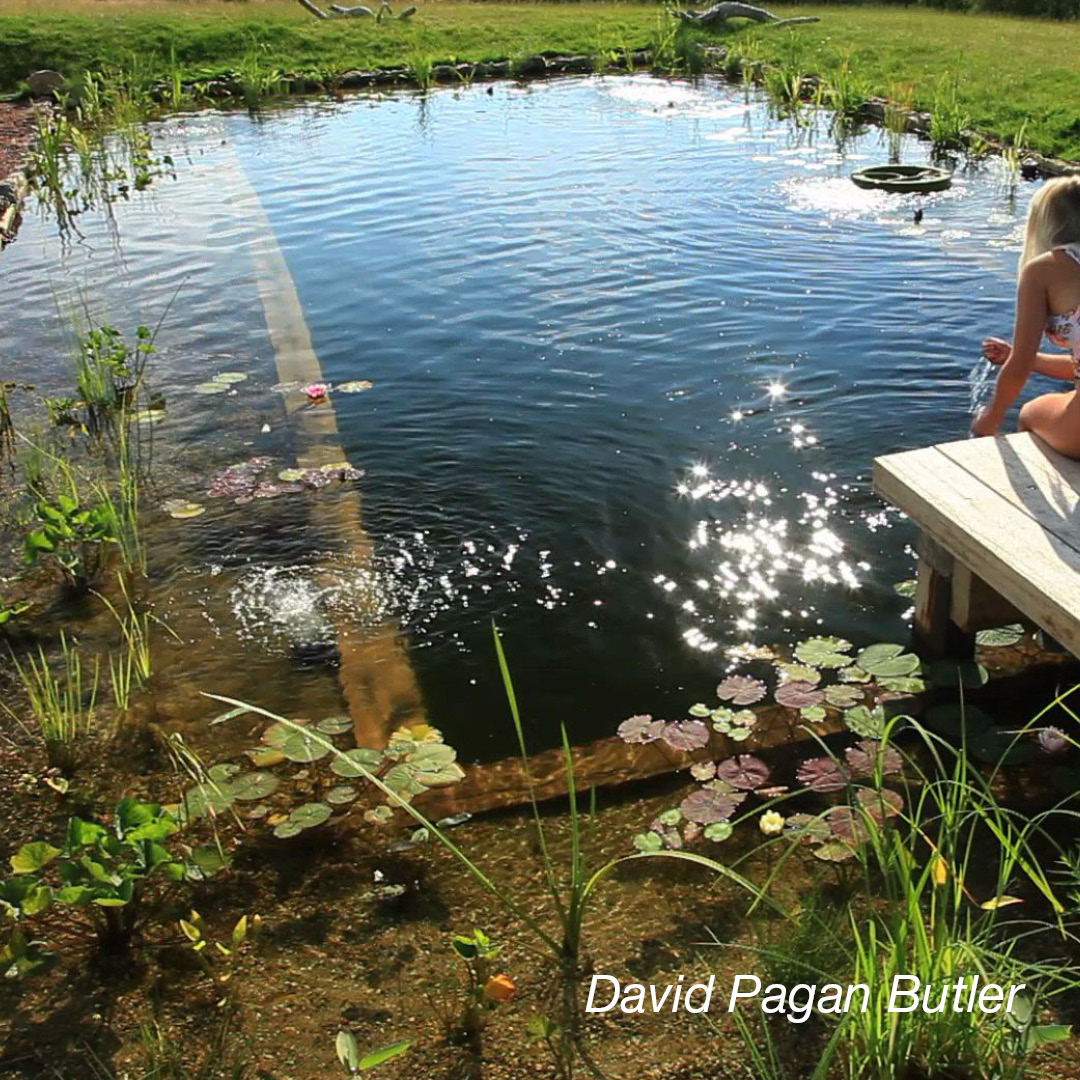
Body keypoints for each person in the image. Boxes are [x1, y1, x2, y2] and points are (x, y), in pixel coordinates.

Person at [973, 175, 1080, 456]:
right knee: (1066, 398)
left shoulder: (1044, 269)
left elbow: (1019, 367)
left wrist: (988, 421)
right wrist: (1016, 357)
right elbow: (1075, 367)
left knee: (1031, 413)